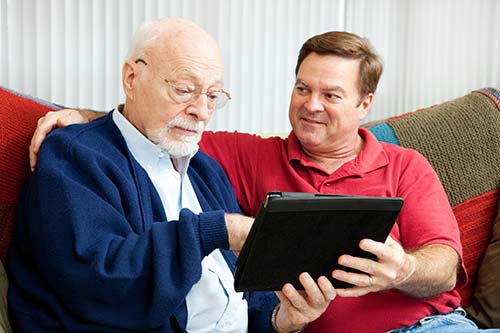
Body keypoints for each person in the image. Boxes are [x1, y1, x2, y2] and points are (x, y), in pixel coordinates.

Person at [28, 31, 498, 333]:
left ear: (364, 105)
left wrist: (402, 270)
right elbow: (143, 131)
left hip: (427, 327)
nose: (311, 105)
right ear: (131, 77)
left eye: (331, 94)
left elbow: (443, 261)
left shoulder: (405, 164)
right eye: (302, 88)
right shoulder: (242, 157)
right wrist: (89, 118)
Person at [7, 18, 337, 333]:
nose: (202, 112)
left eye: (212, 96)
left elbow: (243, 294)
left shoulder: (205, 170)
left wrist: (283, 318)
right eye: (184, 90)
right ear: (131, 79)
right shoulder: (74, 156)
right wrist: (218, 230)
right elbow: (102, 282)